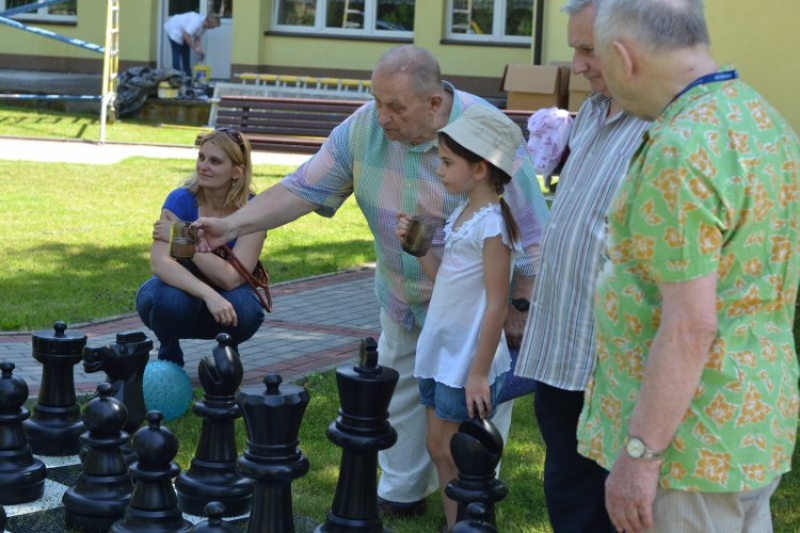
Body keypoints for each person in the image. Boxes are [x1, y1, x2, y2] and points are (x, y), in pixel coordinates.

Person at [194, 44, 549, 516]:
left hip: (476, 315)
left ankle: (470, 507)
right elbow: (303, 186)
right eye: (377, 101)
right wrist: (231, 225)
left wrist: (521, 305)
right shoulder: (364, 126)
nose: (382, 117)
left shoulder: (488, 136)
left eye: (395, 107)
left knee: (471, 415)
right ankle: (403, 495)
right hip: (404, 297)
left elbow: (535, 234)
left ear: (435, 104)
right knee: (403, 397)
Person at [576, 0, 800, 532]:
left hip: (686, 448)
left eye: (597, 57)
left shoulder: (681, 146)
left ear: (624, 57)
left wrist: (639, 456)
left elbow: (690, 324)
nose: (590, 70)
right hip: (751, 420)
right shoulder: (764, 122)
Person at [514, 1, 649, 531]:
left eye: (588, 49)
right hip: (561, 353)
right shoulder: (592, 111)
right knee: (570, 495)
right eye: (575, 47)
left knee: (618, 510)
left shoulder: (661, 127)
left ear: (630, 47)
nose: (578, 63)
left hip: (615, 365)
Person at [396, 105, 521, 530]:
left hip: (466, 359)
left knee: (457, 451)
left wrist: (480, 373)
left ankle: (466, 524)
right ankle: (456, 524)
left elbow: (497, 304)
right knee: (437, 446)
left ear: (481, 168)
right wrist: (420, 251)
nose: (441, 171)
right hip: (441, 351)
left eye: (448, 163)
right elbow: (446, 277)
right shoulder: (462, 215)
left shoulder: (493, 227)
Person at [136, 128, 266, 368]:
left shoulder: (253, 211)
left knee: (247, 310)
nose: (203, 166)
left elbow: (231, 278)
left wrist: (182, 238)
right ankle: (169, 355)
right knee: (165, 300)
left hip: (228, 297)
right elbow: (160, 263)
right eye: (202, 157)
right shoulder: (180, 200)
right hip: (182, 294)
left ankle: (227, 356)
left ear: (237, 171)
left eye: (215, 161)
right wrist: (208, 294)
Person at [163, 11, 220, 77]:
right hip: (174, 28)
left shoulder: (204, 27)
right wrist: (194, 48)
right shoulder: (197, 21)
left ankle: (188, 77)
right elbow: (186, 35)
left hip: (184, 33)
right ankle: (176, 78)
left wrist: (199, 50)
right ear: (209, 22)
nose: (212, 28)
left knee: (186, 55)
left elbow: (197, 39)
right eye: (212, 27)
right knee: (177, 54)